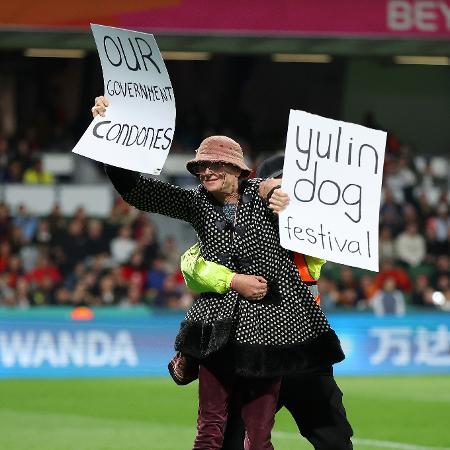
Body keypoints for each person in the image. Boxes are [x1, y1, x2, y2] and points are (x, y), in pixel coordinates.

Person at [92, 96, 344, 450]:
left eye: (217, 166)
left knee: (258, 441)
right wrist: (110, 137)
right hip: (221, 333)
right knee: (213, 433)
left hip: (275, 330)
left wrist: (283, 195)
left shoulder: (260, 193)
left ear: (240, 171)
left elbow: (274, 187)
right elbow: (138, 192)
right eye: (201, 167)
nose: (206, 172)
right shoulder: (196, 201)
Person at [180, 154, 353, 450]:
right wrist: (234, 280)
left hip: (301, 353)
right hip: (256, 350)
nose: (285, 195)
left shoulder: (307, 236)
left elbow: (319, 246)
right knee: (233, 440)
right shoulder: (230, 230)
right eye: (280, 187)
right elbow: (191, 267)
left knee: (335, 442)